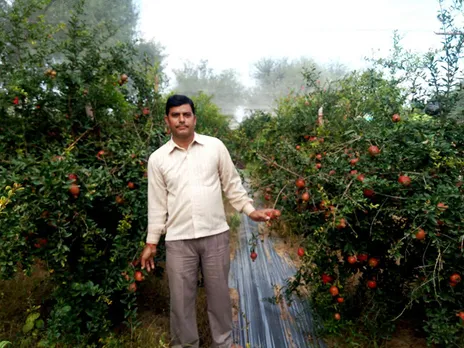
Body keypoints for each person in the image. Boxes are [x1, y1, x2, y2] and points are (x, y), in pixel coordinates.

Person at [139, 94, 273, 348]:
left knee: (219, 297)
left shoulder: (215, 147)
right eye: (176, 115)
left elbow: (232, 184)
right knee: (180, 301)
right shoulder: (158, 159)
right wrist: (152, 242)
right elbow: (156, 204)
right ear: (167, 120)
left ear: (194, 118)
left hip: (215, 236)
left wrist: (249, 209)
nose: (181, 120)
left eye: (186, 114)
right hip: (179, 240)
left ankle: (223, 343)